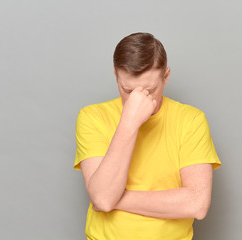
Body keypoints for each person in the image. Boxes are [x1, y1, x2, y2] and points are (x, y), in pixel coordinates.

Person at [74, 32, 222, 240]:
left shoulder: (191, 120)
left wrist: (117, 198)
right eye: (127, 90)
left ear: (166, 76)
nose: (138, 99)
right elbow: (103, 199)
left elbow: (197, 204)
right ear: (115, 76)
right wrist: (129, 121)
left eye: (150, 90)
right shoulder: (92, 117)